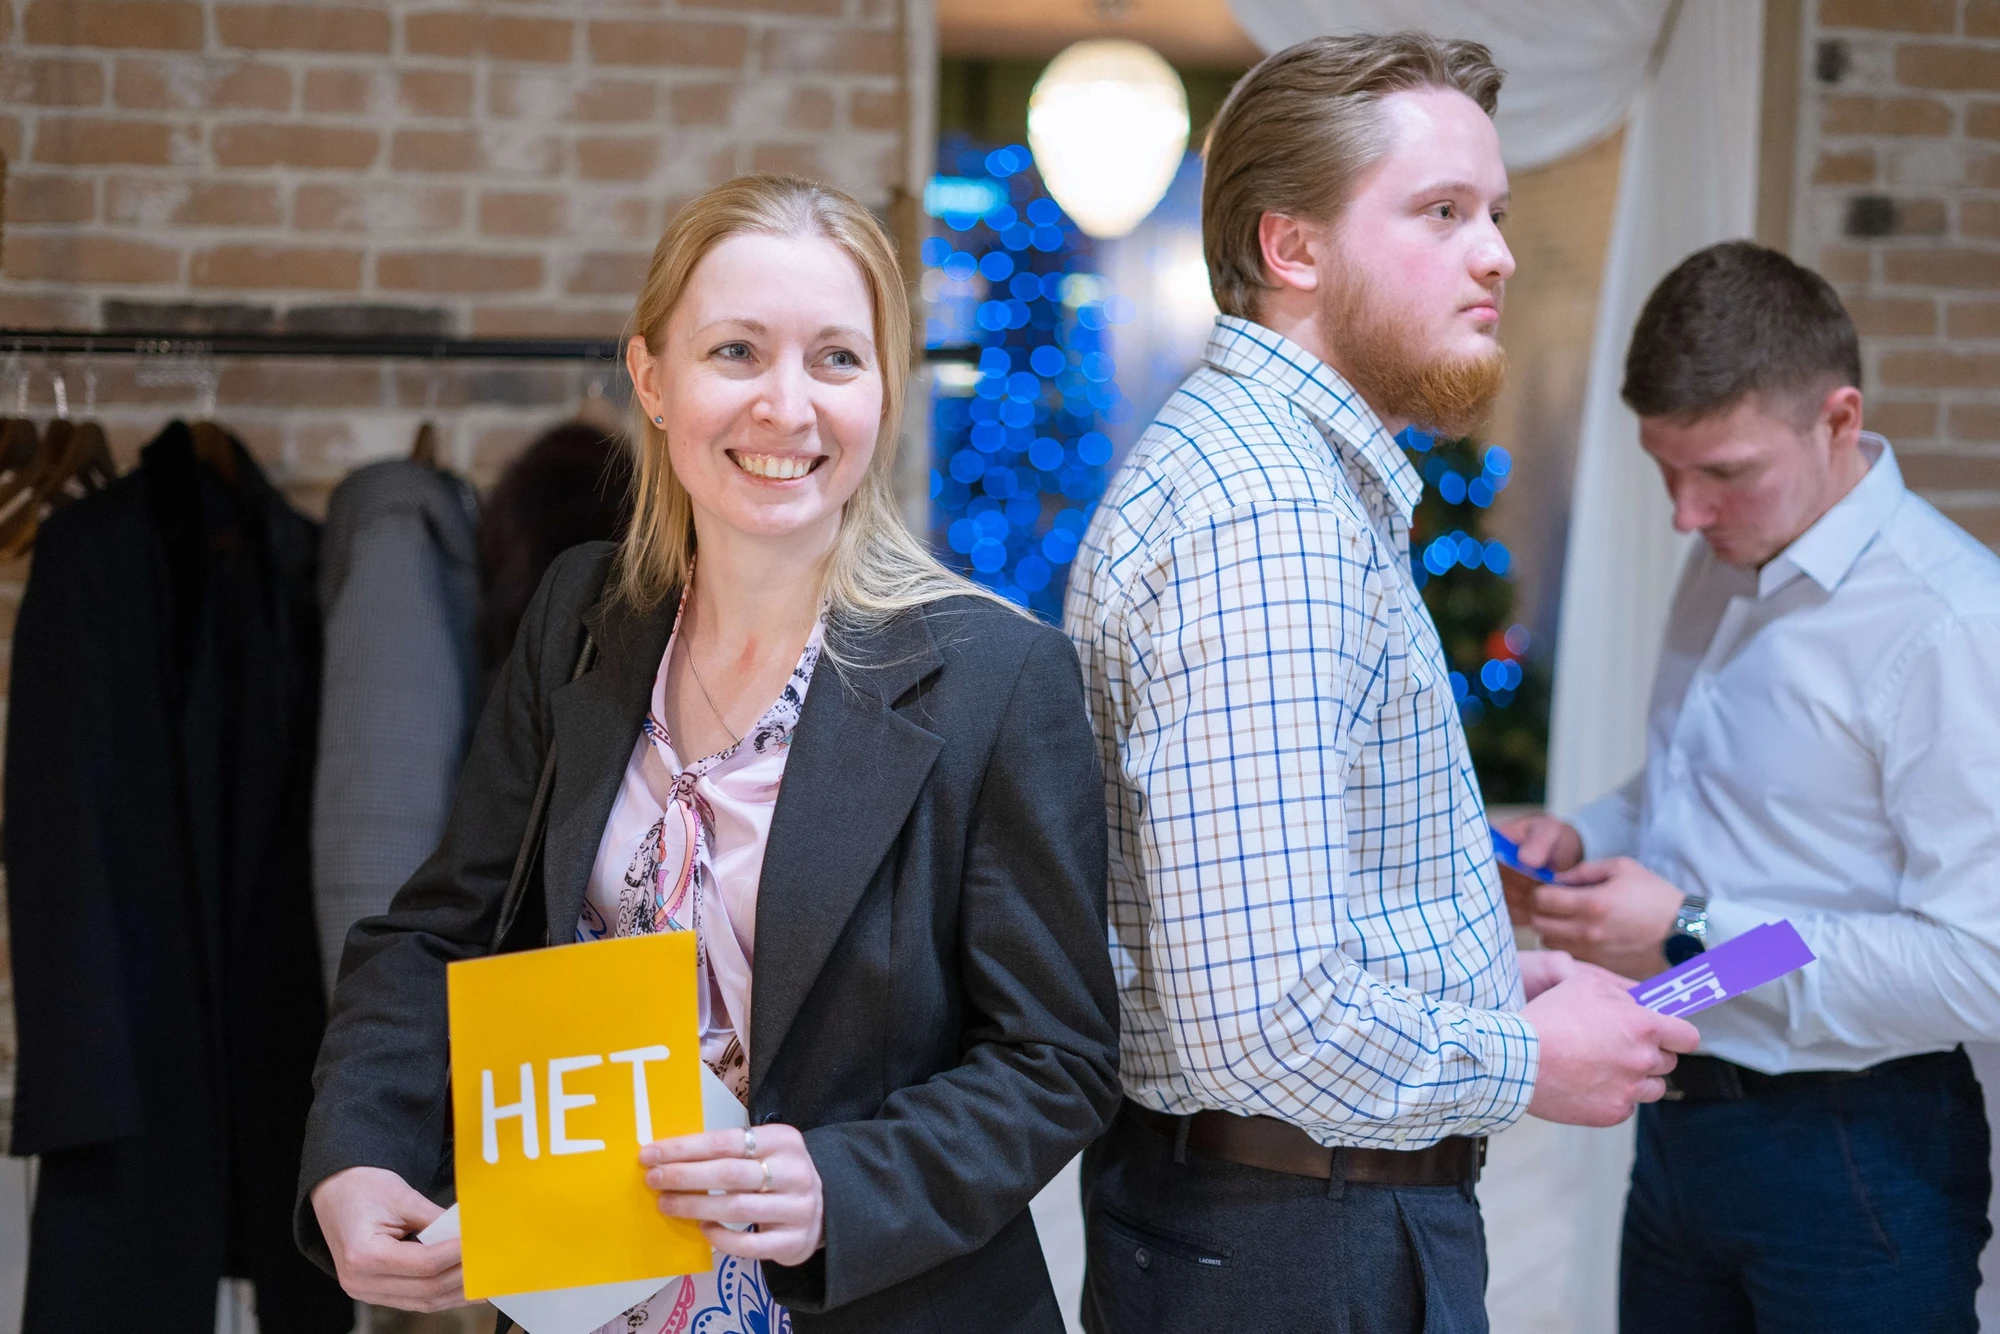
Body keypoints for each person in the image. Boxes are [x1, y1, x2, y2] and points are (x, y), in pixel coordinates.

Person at [297, 174, 1121, 1334]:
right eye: (736, 351)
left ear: (883, 389)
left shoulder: (996, 676)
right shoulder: (581, 614)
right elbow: (440, 927)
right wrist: (357, 1151)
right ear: (651, 378)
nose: (787, 406)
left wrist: (839, 1183)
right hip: (583, 1302)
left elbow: (1055, 1057)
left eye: (836, 358)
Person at [1063, 31, 1700, 1334]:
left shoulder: (1278, 473)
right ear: (1292, 247)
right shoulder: (1272, 516)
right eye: (1442, 211)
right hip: (1300, 1233)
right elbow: (1260, 1017)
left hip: (1279, 1216)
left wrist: (1476, 978)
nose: (1498, 253)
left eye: (1495, 212)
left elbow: (1267, 923)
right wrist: (1523, 1056)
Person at [1500, 240, 2000, 1333]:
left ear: (1837, 420)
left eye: (1722, 471)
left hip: (1852, 1151)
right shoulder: (1726, 550)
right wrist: (1584, 835)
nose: (1685, 513)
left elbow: (1980, 964)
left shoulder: (1953, 625)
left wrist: (1689, 933)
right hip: (1678, 1118)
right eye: (1665, 470)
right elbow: (1703, 790)